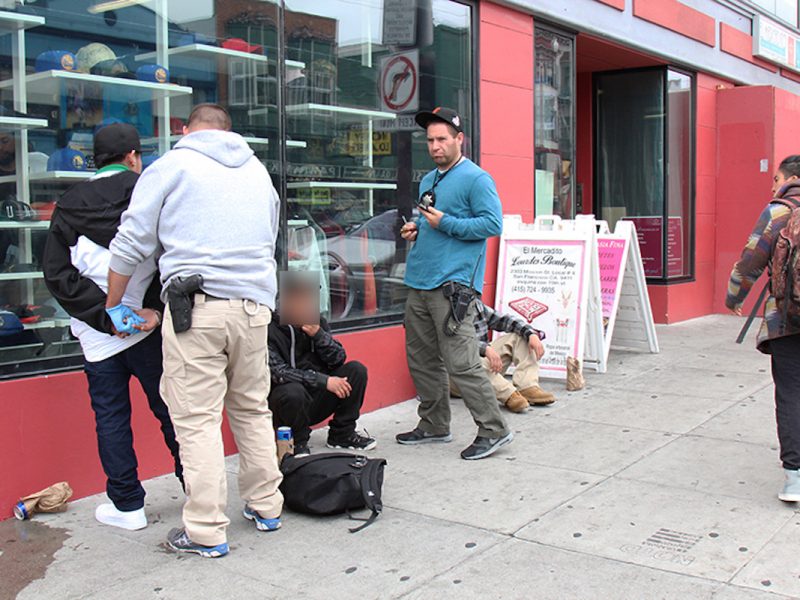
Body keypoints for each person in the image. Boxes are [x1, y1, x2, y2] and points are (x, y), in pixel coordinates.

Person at [105, 104, 283, 558]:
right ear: (229, 132)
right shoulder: (258, 173)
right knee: (252, 409)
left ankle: (205, 530)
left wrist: (114, 302)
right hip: (254, 309)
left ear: (185, 129)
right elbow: (270, 234)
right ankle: (266, 506)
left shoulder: (170, 167)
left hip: (196, 310)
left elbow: (131, 242)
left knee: (197, 420)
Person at [42, 122, 182, 531]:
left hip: (96, 335)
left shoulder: (69, 204)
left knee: (111, 418)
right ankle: (197, 488)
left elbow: (57, 274)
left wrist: (107, 317)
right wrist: (149, 310)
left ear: (94, 161)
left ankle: (127, 506)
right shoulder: (148, 193)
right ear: (133, 157)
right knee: (172, 411)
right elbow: (173, 258)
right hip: (149, 327)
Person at [397, 106, 513, 460]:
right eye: (430, 140)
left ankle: (494, 429)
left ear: (459, 139)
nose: (435, 146)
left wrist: (445, 223)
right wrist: (415, 229)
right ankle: (434, 424)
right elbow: (431, 220)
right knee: (421, 359)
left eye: (442, 139)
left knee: (462, 362)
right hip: (419, 279)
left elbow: (492, 225)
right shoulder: (429, 179)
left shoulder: (477, 179)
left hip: (453, 286)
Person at [726, 154, 800, 503]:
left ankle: (794, 478)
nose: (772, 186)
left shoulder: (778, 211)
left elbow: (750, 259)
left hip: (786, 318)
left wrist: (733, 297)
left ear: (788, 178)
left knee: (790, 392)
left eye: (775, 179)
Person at [267, 275, 375, 456]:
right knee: (292, 391)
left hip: (315, 400)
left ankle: (342, 434)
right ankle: (298, 443)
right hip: (285, 405)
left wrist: (318, 335)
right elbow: (278, 372)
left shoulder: (318, 323)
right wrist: (323, 380)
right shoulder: (269, 329)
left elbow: (338, 359)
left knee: (356, 370)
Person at [450, 300, 553, 413]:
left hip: (487, 366)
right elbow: (455, 342)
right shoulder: (442, 308)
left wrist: (531, 334)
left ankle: (527, 387)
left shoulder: (475, 304)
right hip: (459, 376)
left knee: (520, 337)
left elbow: (505, 320)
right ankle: (509, 395)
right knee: (473, 360)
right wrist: (485, 349)